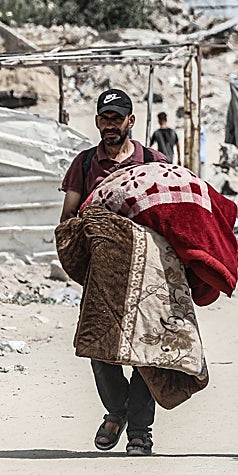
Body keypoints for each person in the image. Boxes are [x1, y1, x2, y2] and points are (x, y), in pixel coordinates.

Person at [60, 89, 170, 455]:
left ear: (131, 122)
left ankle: (140, 430)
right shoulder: (85, 164)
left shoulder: (153, 161)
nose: (111, 125)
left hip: (147, 276)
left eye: (117, 118)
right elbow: (67, 220)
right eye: (105, 118)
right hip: (101, 276)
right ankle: (116, 410)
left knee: (143, 352)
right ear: (97, 122)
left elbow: (172, 215)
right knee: (97, 345)